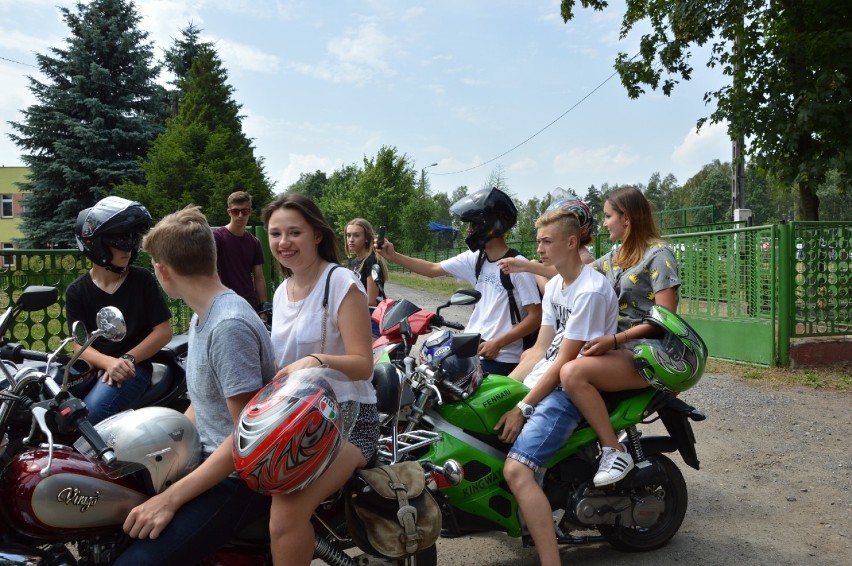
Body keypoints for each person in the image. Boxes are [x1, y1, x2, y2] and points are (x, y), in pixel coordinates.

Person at [116, 206, 276, 565]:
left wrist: (170, 499)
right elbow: (204, 405)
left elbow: (246, 437)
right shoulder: (205, 315)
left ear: (161, 270)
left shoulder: (227, 326)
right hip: (206, 462)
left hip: (237, 481)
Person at [494, 209, 617, 566]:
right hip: (545, 382)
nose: (539, 249)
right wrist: (503, 386)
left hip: (567, 392)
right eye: (538, 242)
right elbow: (538, 350)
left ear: (571, 241)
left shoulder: (590, 291)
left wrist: (523, 408)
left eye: (547, 242)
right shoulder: (556, 288)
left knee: (516, 469)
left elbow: (564, 362)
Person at [262, 192, 378, 566]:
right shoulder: (281, 292)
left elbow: (364, 365)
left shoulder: (341, 281)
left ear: (316, 234)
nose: (283, 242)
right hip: (297, 419)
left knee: (286, 514)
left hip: (349, 418)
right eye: (275, 233)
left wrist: (316, 360)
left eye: (294, 232)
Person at [560, 185, 680, 487]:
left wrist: (614, 341)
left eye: (608, 216)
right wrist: (524, 265)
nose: (604, 223)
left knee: (571, 373)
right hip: (619, 348)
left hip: (647, 352)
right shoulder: (616, 256)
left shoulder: (659, 256)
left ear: (626, 218)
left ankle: (613, 449)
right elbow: (577, 273)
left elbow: (666, 320)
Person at [376, 187, 542, 376]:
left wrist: (498, 343)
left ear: (490, 225)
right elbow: (433, 269)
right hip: (473, 352)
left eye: (473, 224)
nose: (468, 230)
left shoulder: (518, 266)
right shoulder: (477, 258)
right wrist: (394, 256)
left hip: (501, 358)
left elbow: (536, 317)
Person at [68, 196, 172, 424]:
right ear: (95, 244)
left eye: (133, 239)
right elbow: (78, 344)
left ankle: (98, 460)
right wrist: (107, 362)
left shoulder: (141, 279)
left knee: (91, 415)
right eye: (120, 240)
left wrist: (126, 360)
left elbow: (163, 331)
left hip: (134, 369)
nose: (129, 248)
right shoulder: (77, 291)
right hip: (97, 369)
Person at [498, 188, 597, 294]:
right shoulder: (568, 256)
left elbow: (551, 289)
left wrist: (530, 267)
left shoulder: (585, 258)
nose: (540, 249)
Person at [213, 191, 267, 313]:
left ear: (250, 212)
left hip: (249, 304)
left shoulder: (254, 242)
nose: (240, 215)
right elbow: (207, 273)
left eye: (245, 211)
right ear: (229, 212)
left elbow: (259, 278)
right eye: (235, 211)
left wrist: (263, 308)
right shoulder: (217, 238)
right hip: (223, 304)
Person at [345, 217, 388, 307]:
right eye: (348, 235)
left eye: (356, 235)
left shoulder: (371, 261)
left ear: (366, 238)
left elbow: (371, 301)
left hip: (368, 315)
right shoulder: (355, 262)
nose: (351, 239)